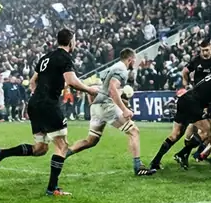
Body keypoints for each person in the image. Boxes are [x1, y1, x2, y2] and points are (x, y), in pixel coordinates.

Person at [0, 29, 100, 196]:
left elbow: (33, 81)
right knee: (62, 146)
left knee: (40, 148)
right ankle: (52, 188)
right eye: (74, 41)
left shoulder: (46, 57)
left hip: (35, 104)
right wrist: (89, 90)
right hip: (49, 105)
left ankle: (1, 153)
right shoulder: (65, 57)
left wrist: (38, 95)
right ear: (71, 42)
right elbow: (72, 81)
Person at [144, 64, 211, 173]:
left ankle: (156, 161)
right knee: (208, 132)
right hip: (193, 104)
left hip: (184, 100)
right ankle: (181, 154)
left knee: (175, 135)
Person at [65, 48, 155, 176]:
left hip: (98, 106)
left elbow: (102, 87)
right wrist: (124, 110)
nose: (134, 63)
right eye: (134, 60)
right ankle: (138, 167)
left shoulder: (113, 67)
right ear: (130, 59)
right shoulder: (121, 70)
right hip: (106, 106)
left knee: (91, 140)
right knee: (134, 131)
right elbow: (112, 89)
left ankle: (63, 154)